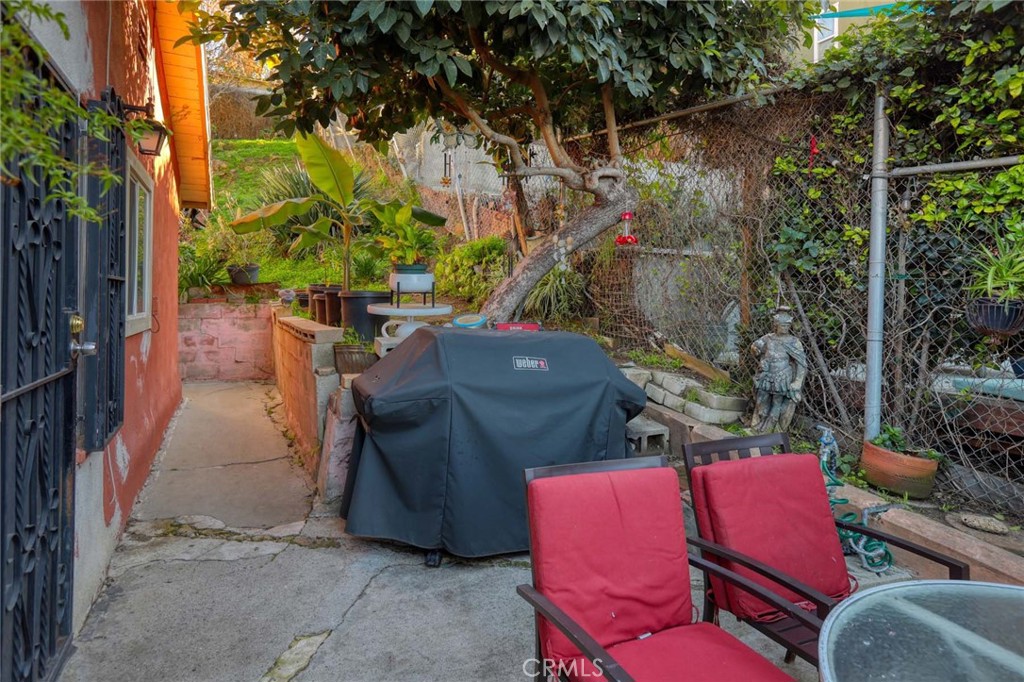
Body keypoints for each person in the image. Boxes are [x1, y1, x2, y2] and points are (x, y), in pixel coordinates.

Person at [750, 308, 807, 432]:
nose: (785, 327)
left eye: (787, 325)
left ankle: (771, 429)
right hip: (766, 374)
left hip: (782, 376)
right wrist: (755, 349)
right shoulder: (768, 338)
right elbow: (756, 346)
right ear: (776, 325)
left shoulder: (793, 341)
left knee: (777, 402)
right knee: (761, 399)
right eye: (782, 325)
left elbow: (801, 363)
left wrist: (797, 381)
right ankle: (759, 422)